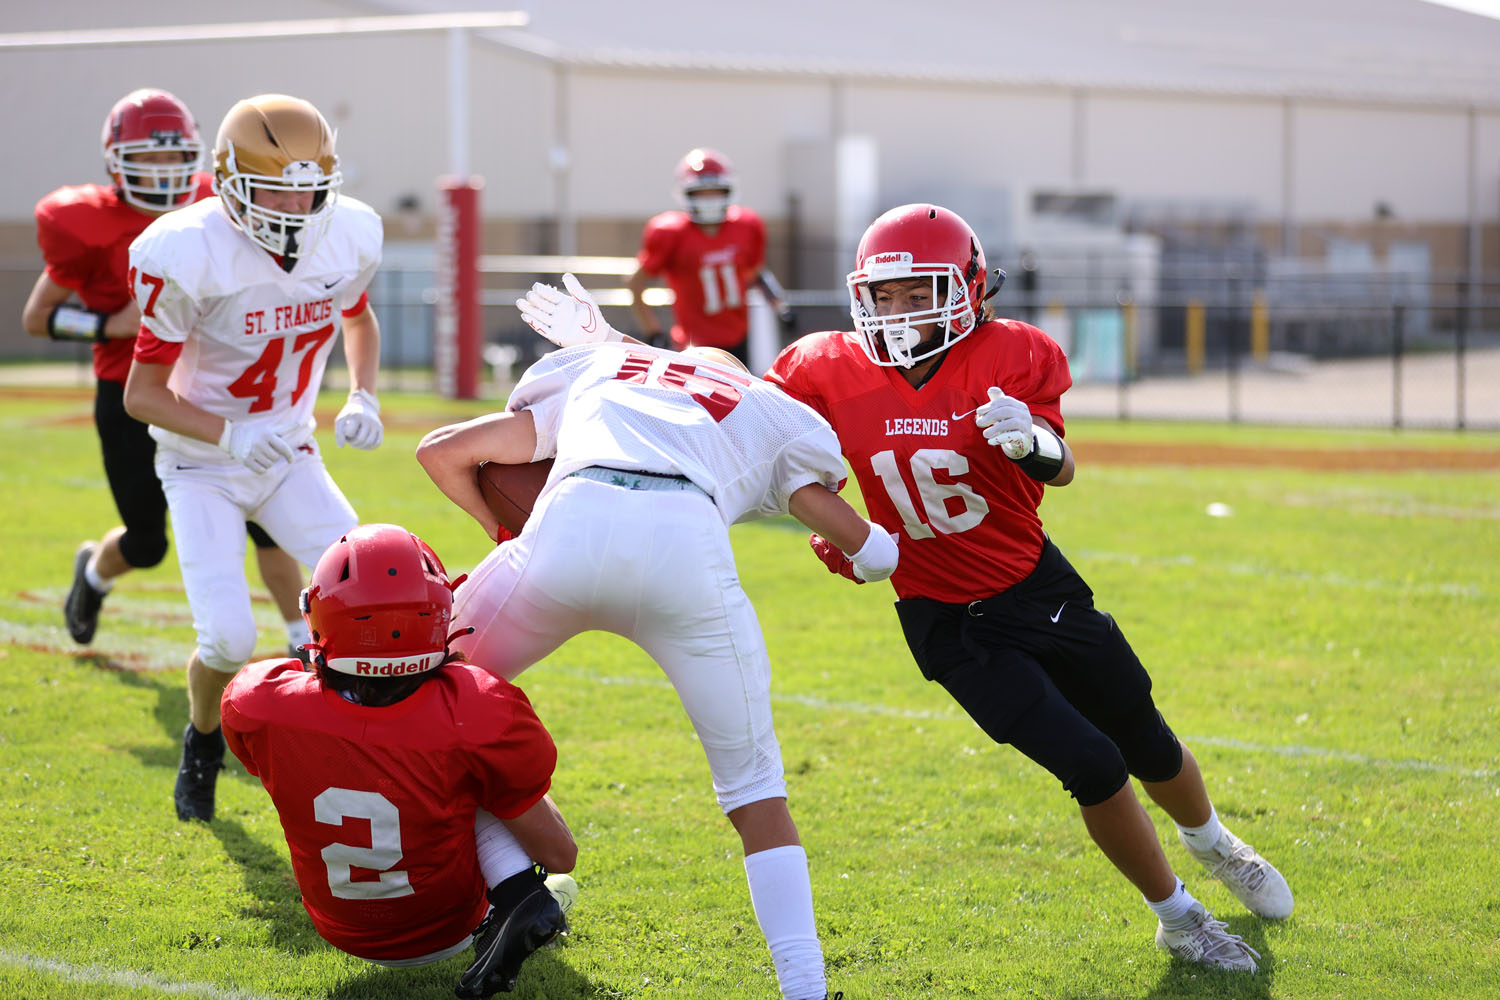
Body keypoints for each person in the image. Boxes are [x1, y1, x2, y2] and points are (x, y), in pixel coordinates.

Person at [760, 204, 1292, 972]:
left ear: (971, 288)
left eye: (921, 293)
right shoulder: (822, 366)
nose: (901, 311)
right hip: (945, 620)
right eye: (888, 295)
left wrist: (1031, 440)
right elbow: (765, 450)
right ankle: (1179, 919)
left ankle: (1215, 842)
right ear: (861, 297)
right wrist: (844, 538)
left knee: (1141, 733)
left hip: (1034, 580)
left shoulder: (1011, 354)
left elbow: (1061, 466)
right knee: (1092, 764)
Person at [416, 273, 894, 1000]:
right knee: (756, 794)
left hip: (568, 524)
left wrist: (504, 533)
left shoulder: (604, 367)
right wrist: (873, 551)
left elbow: (442, 450)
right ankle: (805, 987)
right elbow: (853, 536)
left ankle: (502, 887)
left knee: (424, 702)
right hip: (686, 550)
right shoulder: (763, 404)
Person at [122, 93, 387, 824]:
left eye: (309, 185)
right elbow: (141, 395)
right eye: (274, 185)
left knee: (371, 592)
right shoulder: (187, 249)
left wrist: (363, 395)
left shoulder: (350, 233)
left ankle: (364, 746)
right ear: (230, 179)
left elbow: (359, 319)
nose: (294, 203)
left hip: (290, 452)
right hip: (201, 462)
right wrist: (228, 434)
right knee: (230, 638)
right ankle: (202, 738)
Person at [221, 523, 578, 998]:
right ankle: (519, 895)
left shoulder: (262, 702)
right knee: (481, 780)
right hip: (449, 925)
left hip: (339, 926)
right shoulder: (475, 710)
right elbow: (559, 855)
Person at [20, 88, 309, 654]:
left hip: (211, 388)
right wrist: (109, 325)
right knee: (148, 543)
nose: (162, 172)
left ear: (194, 158)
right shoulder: (87, 222)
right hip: (130, 392)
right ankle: (95, 574)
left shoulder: (218, 201)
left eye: (173, 158)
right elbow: (37, 317)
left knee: (266, 517)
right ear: (116, 161)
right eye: (147, 159)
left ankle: (301, 638)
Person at [627, 148, 792, 367]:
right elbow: (635, 284)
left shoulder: (747, 226)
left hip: (739, 340)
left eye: (715, 191)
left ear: (727, 191)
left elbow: (755, 272)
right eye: (701, 193)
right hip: (693, 346)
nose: (709, 199)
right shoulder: (669, 232)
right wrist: (652, 332)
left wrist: (780, 306)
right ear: (686, 194)